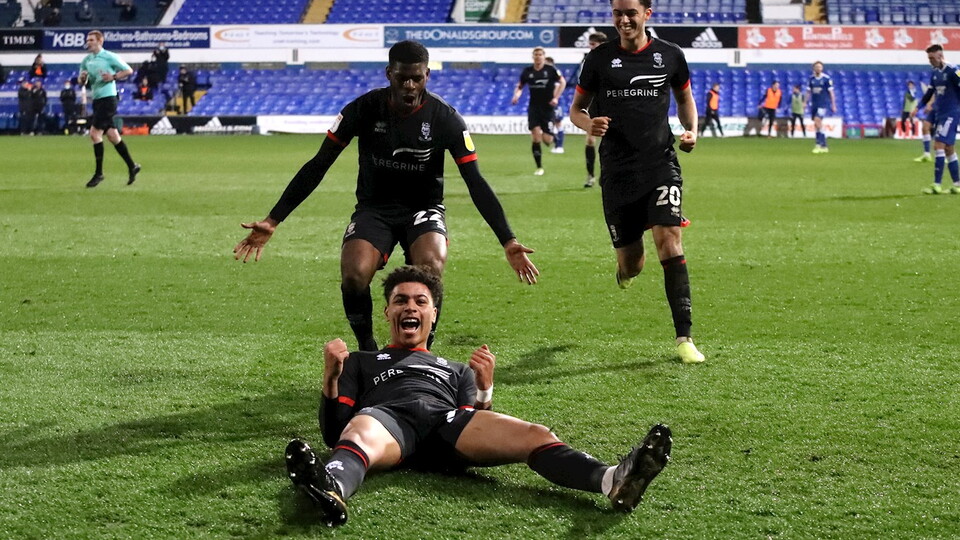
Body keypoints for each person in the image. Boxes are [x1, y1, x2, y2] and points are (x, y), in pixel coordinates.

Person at [284, 265, 672, 526]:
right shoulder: (361, 360)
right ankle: (332, 488)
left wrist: (485, 387)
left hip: (445, 425)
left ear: (433, 315)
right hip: (388, 422)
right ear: (387, 312)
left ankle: (612, 480)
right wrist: (331, 378)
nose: (410, 307)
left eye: (420, 301)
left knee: (535, 433)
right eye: (400, 300)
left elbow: (476, 426)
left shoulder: (457, 370)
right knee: (360, 430)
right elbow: (335, 433)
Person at [233, 41, 539, 352]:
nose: (409, 86)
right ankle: (367, 349)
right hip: (374, 209)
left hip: (423, 209)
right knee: (353, 276)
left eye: (417, 78)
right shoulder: (363, 109)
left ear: (427, 76)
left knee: (430, 268)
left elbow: (475, 181)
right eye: (402, 78)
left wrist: (508, 240)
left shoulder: (445, 118)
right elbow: (319, 164)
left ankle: (422, 350)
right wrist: (274, 219)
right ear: (389, 73)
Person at [569, 0, 705, 364]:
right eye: (618, 13)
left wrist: (691, 130)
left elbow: (685, 99)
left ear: (647, 14)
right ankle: (624, 272)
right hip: (617, 173)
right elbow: (576, 110)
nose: (624, 19)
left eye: (631, 12)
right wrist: (589, 124)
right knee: (633, 263)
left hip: (661, 165)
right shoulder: (598, 59)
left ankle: (685, 337)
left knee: (669, 241)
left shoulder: (670, 55)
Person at [78, 30, 141, 188]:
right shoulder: (86, 60)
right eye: (87, 40)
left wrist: (113, 77)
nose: (88, 42)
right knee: (113, 136)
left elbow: (128, 70)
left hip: (109, 98)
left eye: (91, 40)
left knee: (94, 134)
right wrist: (83, 79)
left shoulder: (109, 56)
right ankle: (132, 166)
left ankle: (99, 173)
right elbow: (81, 81)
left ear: (100, 41)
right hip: (97, 99)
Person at [511, 46, 566, 176]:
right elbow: (520, 86)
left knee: (547, 140)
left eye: (540, 54)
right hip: (534, 107)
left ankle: (552, 135)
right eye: (536, 54)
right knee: (535, 137)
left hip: (548, 108)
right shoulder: (527, 71)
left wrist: (556, 97)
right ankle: (539, 167)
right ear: (533, 57)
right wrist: (516, 96)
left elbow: (562, 82)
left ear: (543, 56)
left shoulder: (551, 70)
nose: (538, 57)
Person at [919, 44, 960, 195]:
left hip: (951, 114)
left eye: (932, 58)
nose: (930, 61)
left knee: (938, 146)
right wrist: (918, 106)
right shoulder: (935, 73)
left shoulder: (953, 70)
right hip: (940, 114)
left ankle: (937, 185)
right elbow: (929, 93)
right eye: (929, 58)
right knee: (949, 149)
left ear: (940, 56)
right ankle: (957, 185)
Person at [573, 32, 607, 187]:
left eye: (593, 44)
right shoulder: (587, 60)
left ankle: (606, 173)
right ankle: (591, 176)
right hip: (593, 102)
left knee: (609, 142)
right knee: (590, 139)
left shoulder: (612, 58)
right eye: (590, 44)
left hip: (609, 102)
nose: (591, 47)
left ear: (601, 44)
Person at [806, 61, 837, 154]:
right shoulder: (811, 79)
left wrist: (833, 104)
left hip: (823, 104)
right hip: (814, 104)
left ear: (822, 68)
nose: (818, 68)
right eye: (817, 67)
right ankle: (821, 145)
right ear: (814, 68)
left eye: (820, 67)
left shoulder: (826, 79)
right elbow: (808, 92)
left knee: (817, 120)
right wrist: (805, 102)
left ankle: (820, 144)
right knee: (816, 124)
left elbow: (831, 93)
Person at [544, 56, 565, 154]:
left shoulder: (554, 72)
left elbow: (558, 86)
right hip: (549, 102)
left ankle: (560, 146)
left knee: (557, 122)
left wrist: (554, 98)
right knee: (550, 124)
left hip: (555, 102)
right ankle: (557, 145)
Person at [912, 82, 935, 163]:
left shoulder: (953, 75)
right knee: (925, 128)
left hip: (946, 109)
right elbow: (928, 95)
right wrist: (917, 108)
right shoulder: (935, 77)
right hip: (934, 109)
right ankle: (927, 154)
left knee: (943, 134)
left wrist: (931, 104)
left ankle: (949, 156)